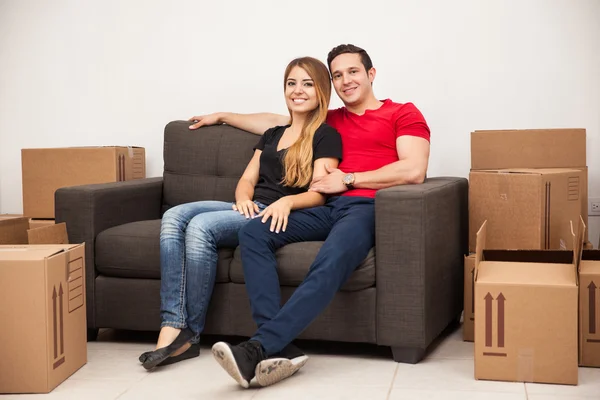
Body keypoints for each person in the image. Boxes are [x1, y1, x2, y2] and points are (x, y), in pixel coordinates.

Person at [193, 44, 431, 388]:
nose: (345, 80)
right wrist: (222, 116)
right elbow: (275, 122)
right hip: (324, 207)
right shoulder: (329, 119)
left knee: (329, 260)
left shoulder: (402, 113)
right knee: (254, 232)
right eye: (337, 75)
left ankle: (258, 347)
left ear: (371, 74)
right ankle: (279, 347)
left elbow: (414, 170)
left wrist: (349, 179)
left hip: (364, 208)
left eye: (353, 71)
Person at [138, 56, 342, 371]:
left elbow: (320, 192)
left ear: (321, 91)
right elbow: (247, 179)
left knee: (201, 227)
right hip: (248, 207)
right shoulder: (274, 133)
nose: (297, 90)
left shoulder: (325, 135)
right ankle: (172, 324)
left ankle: (188, 334)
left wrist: (284, 203)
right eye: (291, 83)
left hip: (275, 214)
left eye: (307, 83)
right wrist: (243, 197)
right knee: (174, 216)